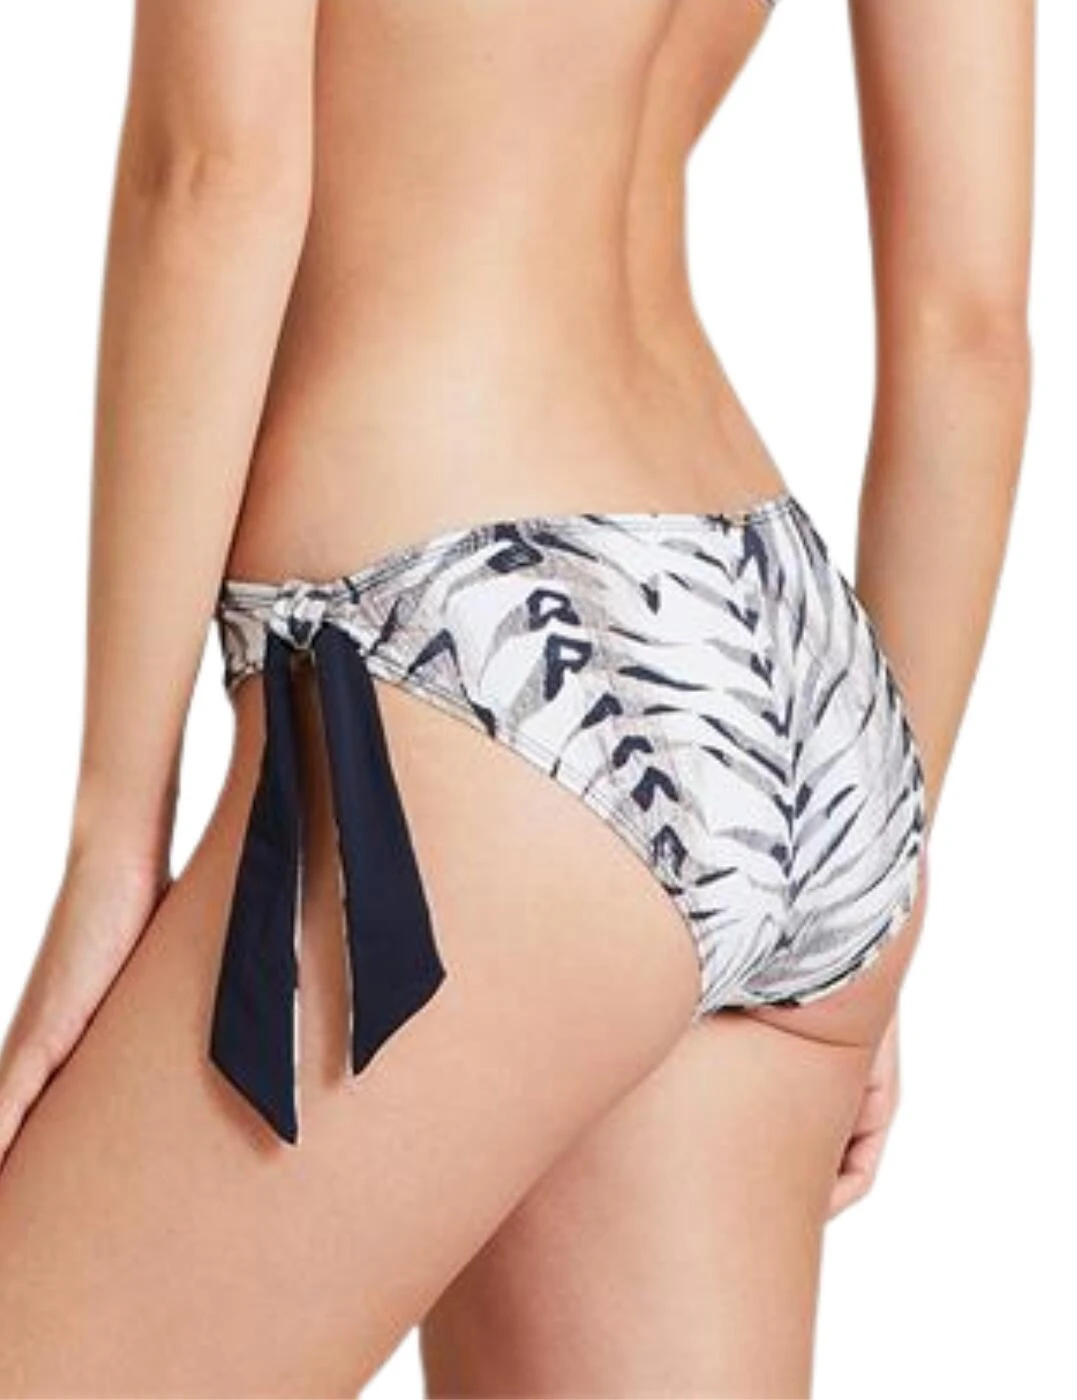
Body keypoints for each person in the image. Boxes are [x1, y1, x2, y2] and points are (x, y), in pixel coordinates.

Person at [0, 1, 1033, 1394]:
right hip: (790, 673)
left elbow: (214, 173)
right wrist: (871, 845)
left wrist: (113, 832)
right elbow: (969, 332)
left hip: (475, 651)